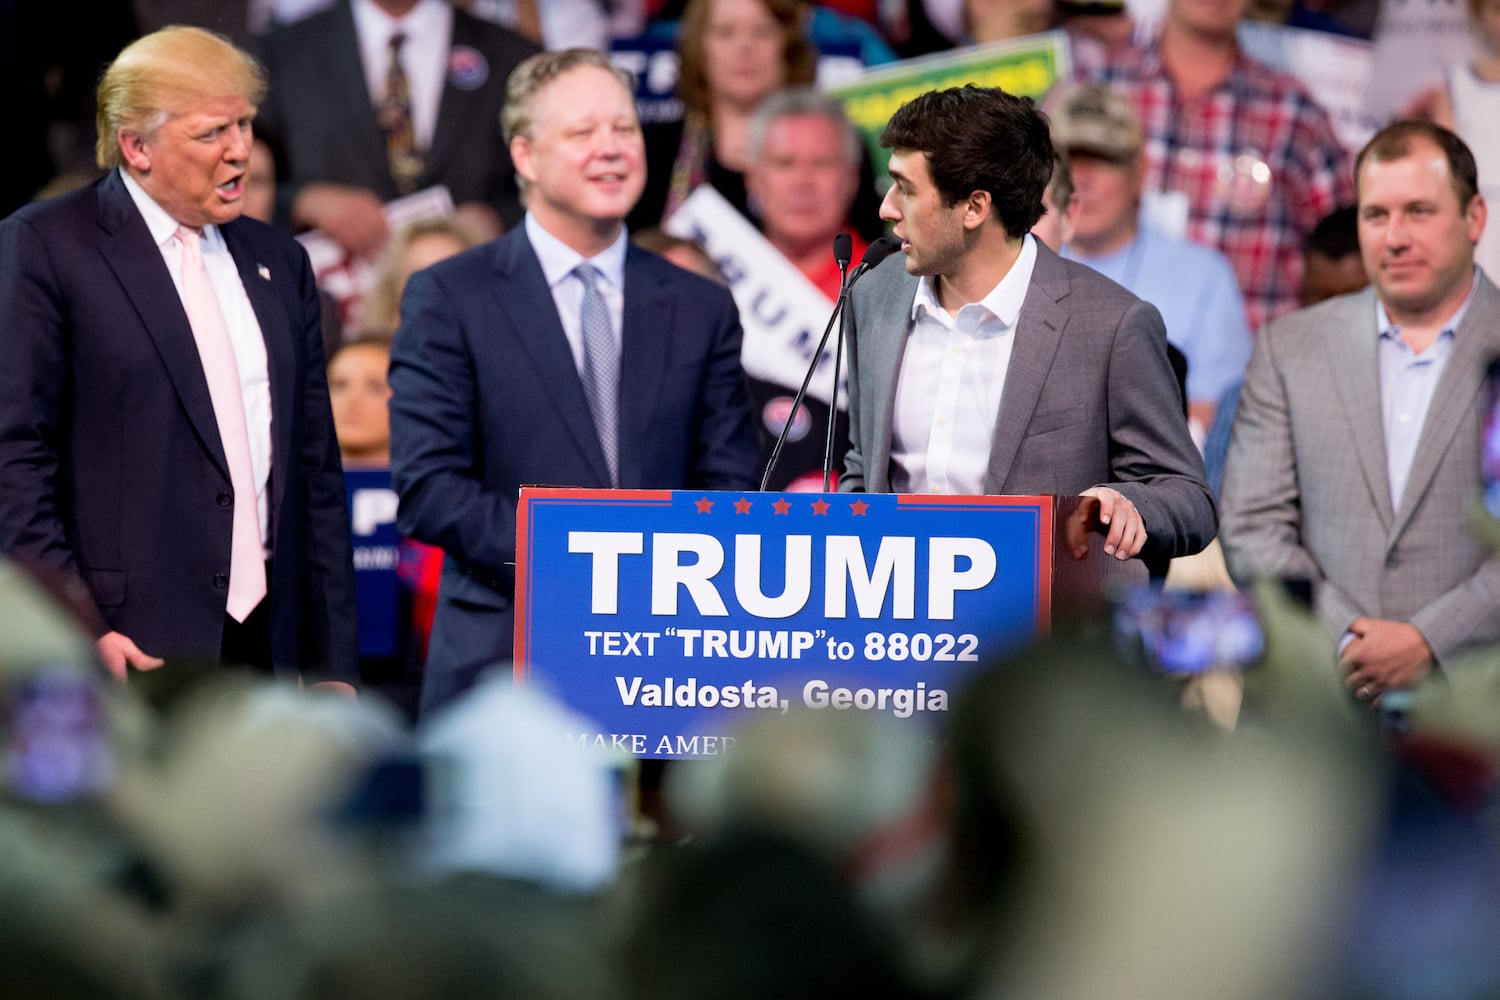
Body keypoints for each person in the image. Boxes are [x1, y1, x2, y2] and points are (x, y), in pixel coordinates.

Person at [388, 48, 760, 715]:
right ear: (526, 157)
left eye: (623, 129)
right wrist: (585, 560)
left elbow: (730, 485)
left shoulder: (700, 305)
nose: (612, 149)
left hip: (667, 659)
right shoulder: (449, 296)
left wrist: (655, 576)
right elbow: (430, 490)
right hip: (504, 664)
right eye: (582, 133)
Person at [0, 27, 357, 691]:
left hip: (270, 650)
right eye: (212, 133)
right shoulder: (47, 246)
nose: (241, 151)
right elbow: (14, 459)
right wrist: (75, 629)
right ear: (137, 146)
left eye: (246, 124)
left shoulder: (280, 261)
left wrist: (333, 663)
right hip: (124, 646)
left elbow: (315, 473)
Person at [838, 85, 1216, 581]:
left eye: (906, 188)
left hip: (1035, 638)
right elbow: (862, 470)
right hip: (897, 628)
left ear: (974, 207)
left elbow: (1189, 499)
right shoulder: (873, 293)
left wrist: (1127, 503)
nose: (887, 208)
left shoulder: (1112, 324)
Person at [1221, 121, 1500, 707]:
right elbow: (1252, 528)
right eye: (1376, 216)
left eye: (1419, 212)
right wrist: (1348, 637)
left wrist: (1431, 639)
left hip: (1481, 706)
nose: (1394, 238)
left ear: (1474, 219)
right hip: (1323, 706)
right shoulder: (1288, 347)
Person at [1076, 0, 1355, 333]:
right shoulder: (1092, 93)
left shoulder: (1295, 114)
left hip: (1250, 374)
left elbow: (1350, 255)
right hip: (1107, 362)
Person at [253, 0, 539, 259]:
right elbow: (238, 181)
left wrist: (496, 220)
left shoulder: (513, 57)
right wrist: (305, 201)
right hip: (329, 301)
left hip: (475, 288)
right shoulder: (281, 55)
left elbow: (548, 182)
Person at [1050, 83, 1253, 435]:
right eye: (1067, 159)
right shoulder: (1017, 265)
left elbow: (1213, 423)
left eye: (1103, 159)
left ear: (1139, 173)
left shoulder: (1204, 276)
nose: (1081, 178)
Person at [629, 0, 884, 243]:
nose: (744, 46)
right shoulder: (653, 149)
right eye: (725, 32)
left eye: (762, 31)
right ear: (699, 46)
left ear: (788, 45)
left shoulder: (835, 143)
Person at [743, 87, 867, 300]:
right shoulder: (715, 276)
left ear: (852, 179)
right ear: (753, 178)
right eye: (785, 163)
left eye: (822, 163)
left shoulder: (890, 286)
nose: (802, 181)